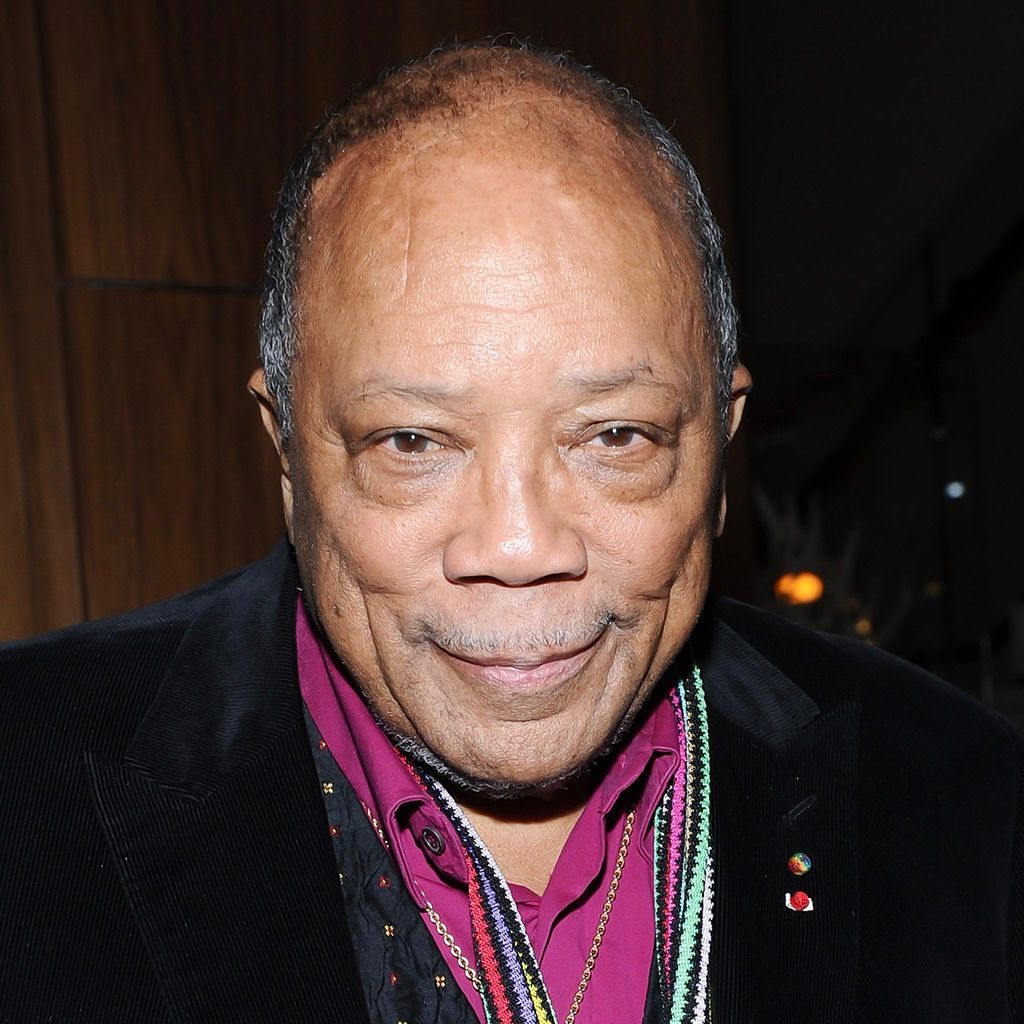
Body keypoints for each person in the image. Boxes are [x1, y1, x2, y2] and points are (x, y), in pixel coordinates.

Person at [1, 41, 1021, 1024]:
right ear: (287, 454)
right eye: (413, 441)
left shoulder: (960, 800)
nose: (521, 544)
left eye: (615, 435)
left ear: (721, 451)